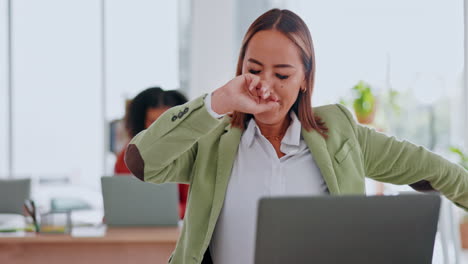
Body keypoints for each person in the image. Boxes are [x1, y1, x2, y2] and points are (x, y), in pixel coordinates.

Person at [124, 9, 468, 264]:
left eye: (282, 75)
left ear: (305, 78)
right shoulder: (214, 138)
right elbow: (143, 161)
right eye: (254, 70)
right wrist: (219, 101)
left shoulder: (339, 134)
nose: (265, 87)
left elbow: (433, 170)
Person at [115, 87, 190, 219]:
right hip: (136, 231)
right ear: (141, 122)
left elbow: (198, 205)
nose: (161, 128)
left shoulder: (190, 155)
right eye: (153, 122)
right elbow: (118, 202)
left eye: (168, 120)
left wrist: (178, 210)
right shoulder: (126, 156)